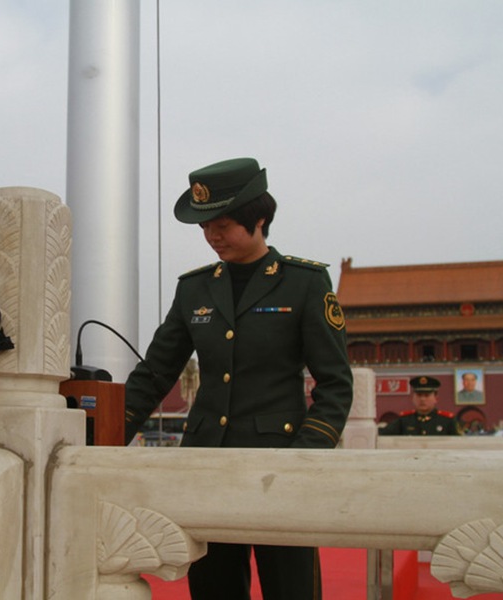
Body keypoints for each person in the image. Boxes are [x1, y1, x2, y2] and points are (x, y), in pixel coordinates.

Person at [124, 157, 353, 600]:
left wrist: (304, 457)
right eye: (205, 227)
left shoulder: (304, 283)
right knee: (214, 588)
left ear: (259, 218)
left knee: (290, 588)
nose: (212, 236)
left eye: (223, 225)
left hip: (279, 466)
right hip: (205, 466)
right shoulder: (194, 288)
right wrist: (103, 435)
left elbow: (335, 385)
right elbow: (154, 374)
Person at [380, 376, 461, 436]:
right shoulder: (404, 421)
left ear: (436, 398)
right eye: (419, 395)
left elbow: (460, 443)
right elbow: (382, 434)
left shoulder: (447, 421)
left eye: (427, 395)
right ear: (412, 398)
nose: (422, 399)